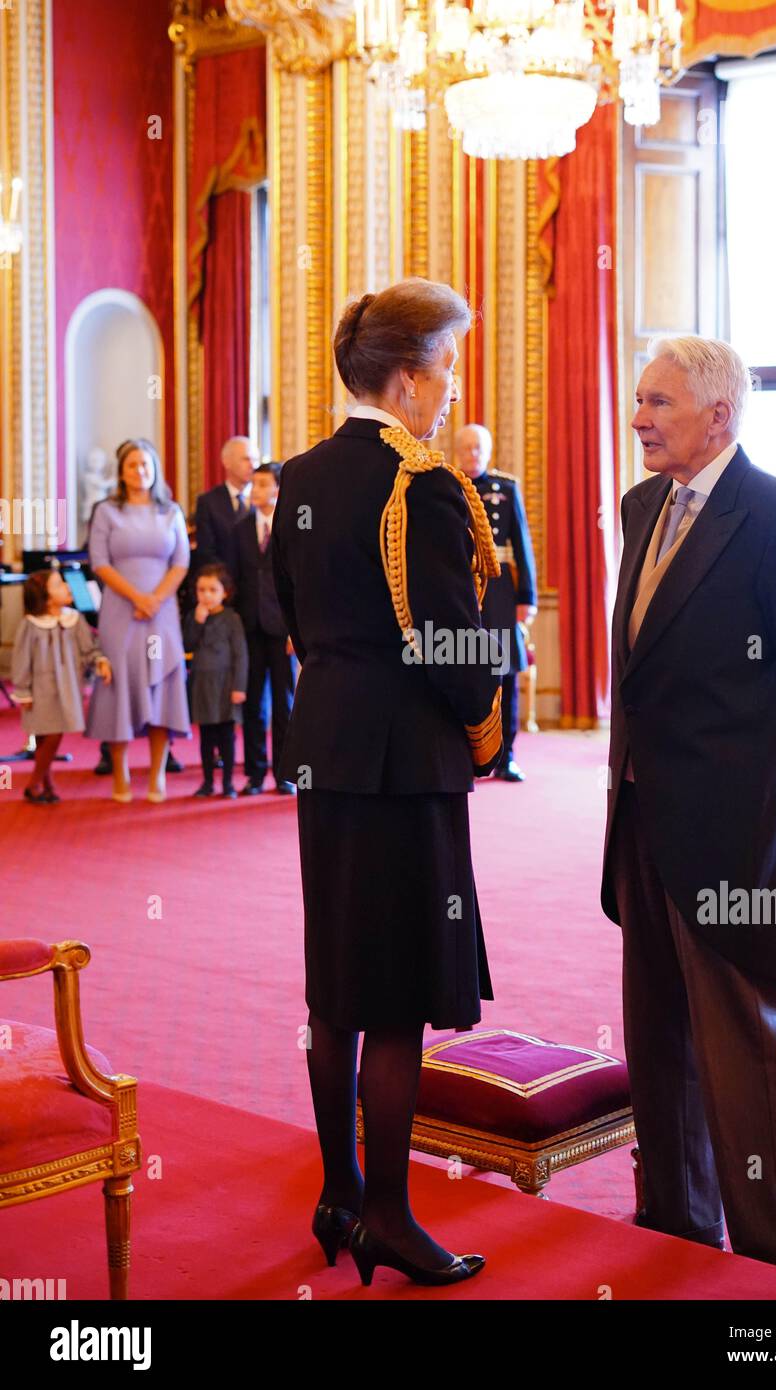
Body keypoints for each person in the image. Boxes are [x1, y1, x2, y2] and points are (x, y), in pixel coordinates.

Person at [600, 335, 776, 1278]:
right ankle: (673, 1220)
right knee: (657, 1032)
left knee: (741, 1041)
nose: (639, 420)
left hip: (736, 826)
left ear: (720, 416)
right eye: (638, 401)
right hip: (640, 820)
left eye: (659, 404)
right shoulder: (639, 508)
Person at [272, 278, 503, 1288]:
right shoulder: (424, 485)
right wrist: (496, 662)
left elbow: (288, 612)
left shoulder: (302, 473)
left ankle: (337, 1190)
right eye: (447, 365)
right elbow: (455, 657)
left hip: (326, 746)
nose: (451, 388)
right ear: (408, 376)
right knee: (400, 992)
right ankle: (392, 1216)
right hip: (405, 762)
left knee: (337, 983)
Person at [85, 438, 191, 802]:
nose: (139, 471)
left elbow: (181, 562)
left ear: (154, 469)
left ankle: (158, 773)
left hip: (162, 613)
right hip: (120, 610)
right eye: (132, 465)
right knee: (119, 685)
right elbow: (99, 562)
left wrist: (156, 598)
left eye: (145, 464)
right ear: (122, 471)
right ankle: (120, 773)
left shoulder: (170, 511)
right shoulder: (106, 511)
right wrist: (137, 598)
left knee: (161, 683)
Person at [454, 423, 537, 781]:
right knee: (462, 665)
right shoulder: (448, 486)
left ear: (487, 452)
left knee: (504, 670)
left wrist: (527, 598)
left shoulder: (506, 488)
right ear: (458, 450)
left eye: (478, 448)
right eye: (467, 447)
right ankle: (464, 751)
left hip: (501, 591)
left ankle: (507, 755)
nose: (473, 454)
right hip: (462, 589)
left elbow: (522, 544)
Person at [11, 568, 112, 803]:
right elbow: (22, 660)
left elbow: (88, 649)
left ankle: (46, 785)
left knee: (50, 735)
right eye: (58, 585)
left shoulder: (73, 619)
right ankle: (35, 782)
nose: (66, 587)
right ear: (44, 597)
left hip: (67, 688)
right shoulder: (31, 624)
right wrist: (23, 690)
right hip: (41, 690)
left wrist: (100, 661)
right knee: (49, 734)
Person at [229, 462, 296, 796]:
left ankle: (285, 773)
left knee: (285, 702)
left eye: (262, 484)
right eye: (252, 484)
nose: (253, 490)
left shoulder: (292, 527)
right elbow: (234, 578)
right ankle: (255, 774)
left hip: (282, 628)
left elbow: (299, 580)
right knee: (253, 702)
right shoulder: (239, 528)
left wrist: (294, 628)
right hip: (249, 625)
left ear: (278, 490)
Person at [182, 563, 248, 799]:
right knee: (206, 737)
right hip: (202, 684)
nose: (206, 595)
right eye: (202, 590)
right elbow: (187, 645)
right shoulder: (194, 617)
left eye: (212, 589)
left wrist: (239, 686)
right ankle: (208, 781)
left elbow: (241, 654)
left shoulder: (232, 619)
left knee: (226, 737)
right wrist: (197, 621)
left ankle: (228, 782)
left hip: (225, 685)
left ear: (225, 592)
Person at [193, 436, 259, 568]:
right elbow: (206, 553)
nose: (252, 466)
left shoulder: (266, 501)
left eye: (255, 460)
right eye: (246, 459)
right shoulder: (208, 502)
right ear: (227, 462)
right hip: (224, 582)